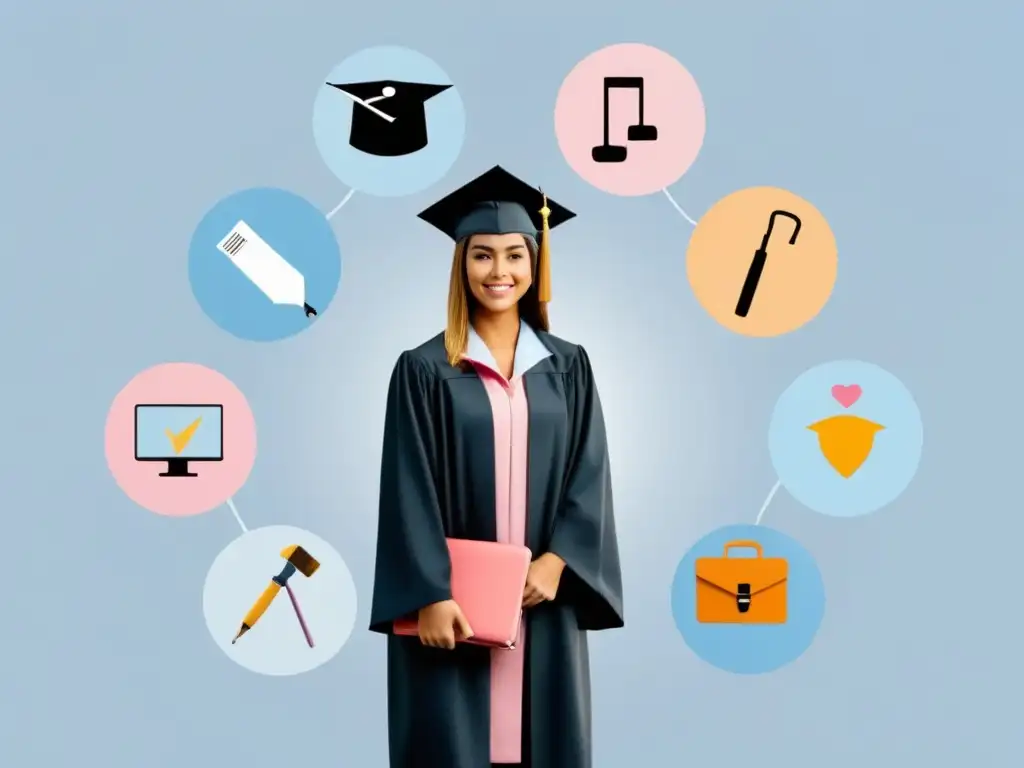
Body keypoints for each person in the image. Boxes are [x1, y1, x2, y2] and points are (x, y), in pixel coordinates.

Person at [369, 165, 624, 768]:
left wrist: (561, 561)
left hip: (546, 600)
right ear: (461, 265)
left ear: (535, 265)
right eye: (482, 256)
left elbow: (592, 470)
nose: (499, 272)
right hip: (454, 608)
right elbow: (408, 487)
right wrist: (429, 594)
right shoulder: (425, 369)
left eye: (515, 255)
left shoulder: (569, 366)